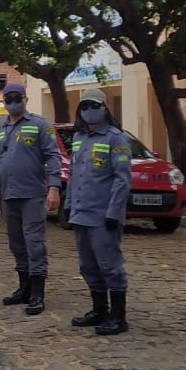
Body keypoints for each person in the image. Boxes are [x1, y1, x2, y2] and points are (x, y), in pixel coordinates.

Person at [0, 84, 61, 316]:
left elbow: (52, 157)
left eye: (16, 97)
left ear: (25, 99)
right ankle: (24, 288)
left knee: (34, 243)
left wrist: (54, 187)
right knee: (16, 244)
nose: (12, 101)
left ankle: (37, 293)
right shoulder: (0, 131)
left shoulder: (40, 125)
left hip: (32, 195)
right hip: (8, 197)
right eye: (8, 98)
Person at [65, 89, 132, 335]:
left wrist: (114, 212)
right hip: (81, 213)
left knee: (110, 266)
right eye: (84, 106)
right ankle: (99, 310)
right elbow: (74, 175)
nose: (88, 110)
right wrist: (69, 205)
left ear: (105, 108)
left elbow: (122, 180)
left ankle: (118, 317)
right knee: (88, 266)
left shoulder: (116, 138)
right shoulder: (79, 137)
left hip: (103, 217)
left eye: (94, 105)